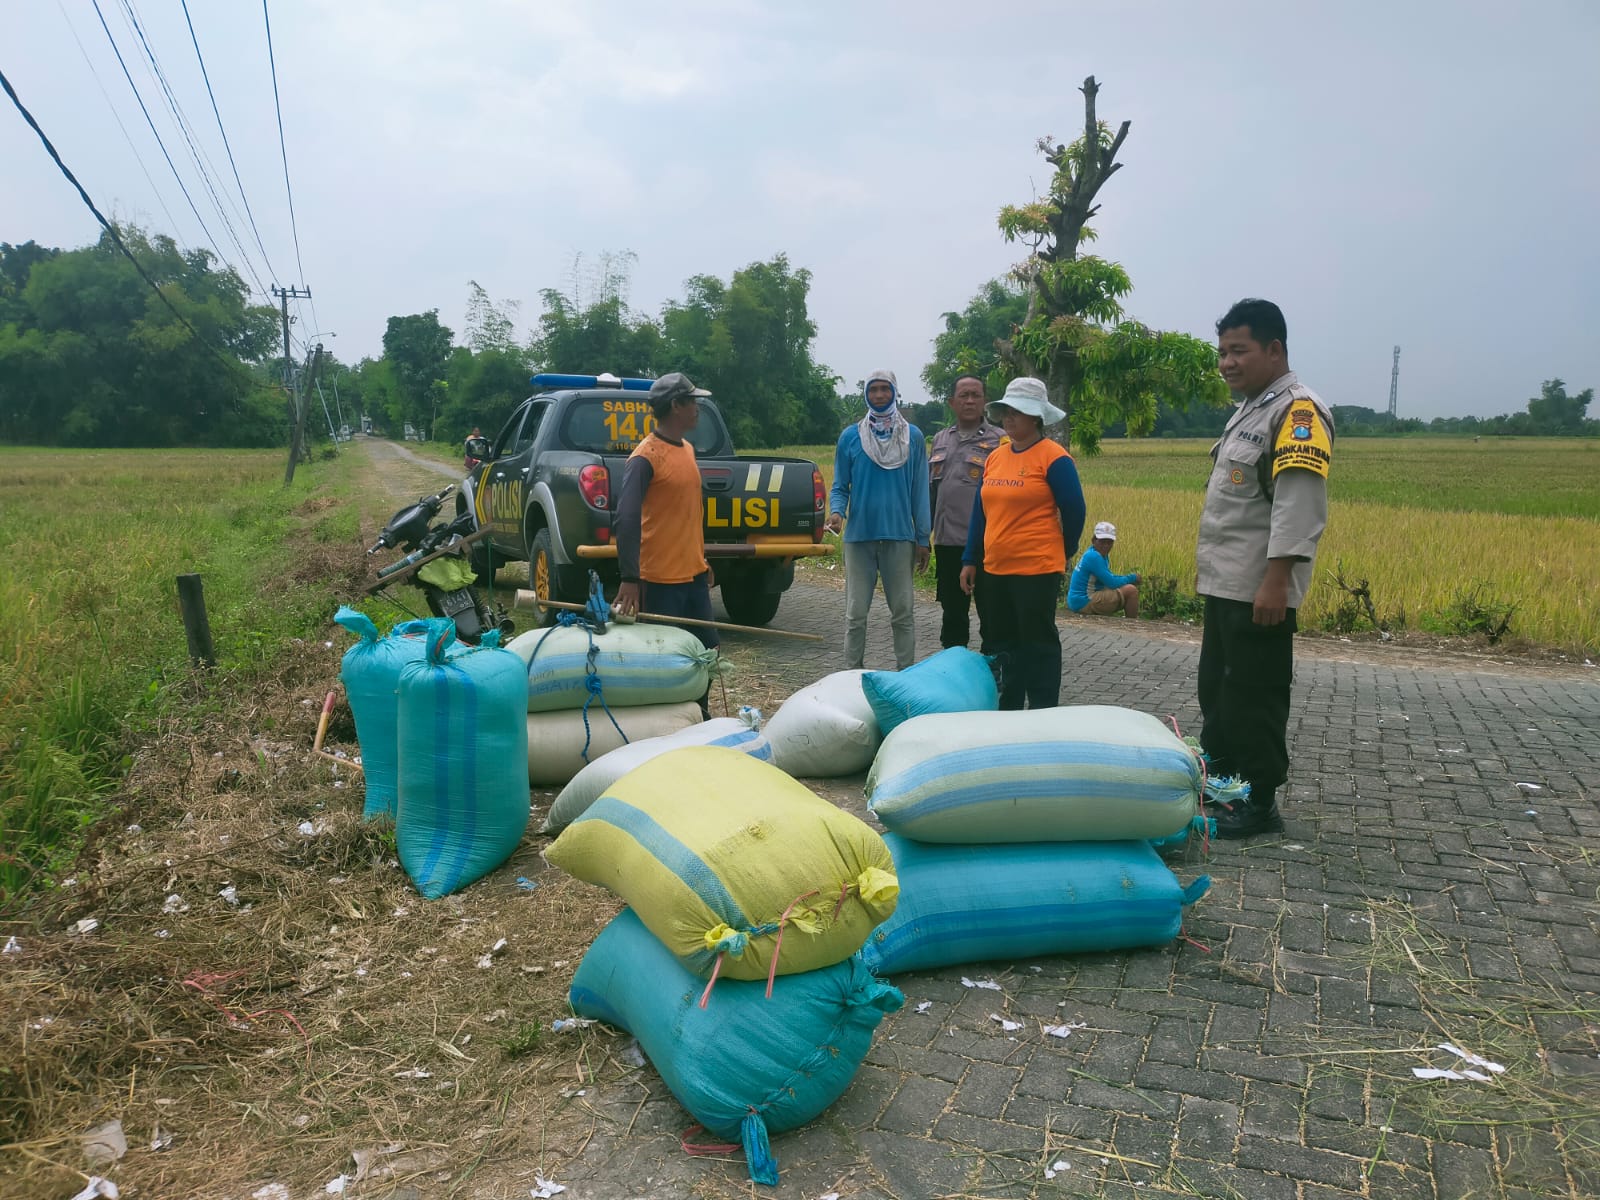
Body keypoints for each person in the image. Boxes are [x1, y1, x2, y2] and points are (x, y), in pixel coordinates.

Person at [1196, 299, 1334, 839]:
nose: (1227, 362)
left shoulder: (1297, 411)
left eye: (1239, 351)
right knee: (1221, 690)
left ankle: (1259, 802)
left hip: (1260, 586)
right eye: (1223, 352)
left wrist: (1277, 581)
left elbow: (1297, 504)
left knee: (1255, 693)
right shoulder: (1250, 408)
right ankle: (1226, 786)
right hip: (1227, 583)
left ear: (1274, 349)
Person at [959, 377, 1085, 709]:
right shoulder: (996, 458)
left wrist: (1063, 549)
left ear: (1036, 418)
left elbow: (1074, 510)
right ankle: (1008, 710)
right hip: (995, 569)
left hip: (1036, 569)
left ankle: (1043, 711)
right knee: (1001, 644)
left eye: (1018, 412)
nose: (1009, 418)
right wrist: (970, 558)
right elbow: (980, 512)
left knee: (1037, 643)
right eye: (1006, 411)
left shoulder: (1053, 458)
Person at [613, 373, 719, 712]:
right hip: (659, 583)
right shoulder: (645, 457)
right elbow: (626, 519)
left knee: (706, 654)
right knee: (667, 662)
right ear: (676, 406)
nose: (698, 409)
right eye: (693, 402)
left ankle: (700, 716)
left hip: (693, 577)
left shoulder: (686, 449)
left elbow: (685, 514)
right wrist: (630, 578)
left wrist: (701, 559)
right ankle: (666, 726)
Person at [826, 369, 931, 670]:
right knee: (855, 613)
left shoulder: (912, 437)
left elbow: (919, 490)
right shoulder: (851, 437)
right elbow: (839, 485)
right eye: (874, 390)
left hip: (899, 538)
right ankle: (851, 674)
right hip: (859, 539)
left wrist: (923, 538)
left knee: (903, 611)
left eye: (886, 389)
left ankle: (906, 674)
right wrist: (837, 512)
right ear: (866, 394)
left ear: (895, 392)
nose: (880, 395)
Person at [929, 375, 1003, 649]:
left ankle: (993, 674)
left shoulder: (1000, 441)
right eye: (964, 395)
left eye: (975, 395)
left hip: (986, 545)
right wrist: (922, 536)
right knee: (952, 615)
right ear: (952, 402)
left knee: (991, 615)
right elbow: (931, 493)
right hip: (948, 544)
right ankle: (953, 673)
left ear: (984, 401)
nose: (970, 401)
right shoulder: (940, 440)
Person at [1067, 522, 1140, 617]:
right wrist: (1133, 577)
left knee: (1121, 587)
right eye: (1102, 542)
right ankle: (1132, 625)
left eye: (1109, 542)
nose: (1105, 546)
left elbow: (1109, 578)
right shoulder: (1094, 557)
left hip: (1077, 601)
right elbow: (1112, 583)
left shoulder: (1094, 553)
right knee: (1131, 590)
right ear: (1094, 540)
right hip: (1083, 601)